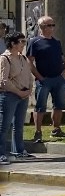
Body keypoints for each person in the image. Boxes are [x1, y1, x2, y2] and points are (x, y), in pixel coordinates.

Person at [26, 16, 65, 142]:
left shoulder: (56, 42)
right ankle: (38, 132)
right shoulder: (34, 42)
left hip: (58, 79)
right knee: (40, 107)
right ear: (42, 27)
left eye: (53, 25)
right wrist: (39, 77)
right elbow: (29, 61)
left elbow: (62, 58)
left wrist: (64, 71)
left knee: (58, 106)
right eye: (49, 25)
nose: (52, 27)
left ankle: (56, 129)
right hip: (43, 80)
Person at [0, 32, 34, 164]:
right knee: (4, 125)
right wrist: (18, 92)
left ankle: (19, 150)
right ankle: (1, 154)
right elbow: (4, 81)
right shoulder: (5, 58)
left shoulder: (22, 58)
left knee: (19, 125)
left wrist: (29, 89)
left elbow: (29, 75)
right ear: (13, 43)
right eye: (21, 42)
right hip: (10, 95)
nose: (24, 44)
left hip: (23, 95)